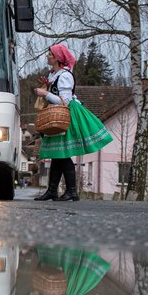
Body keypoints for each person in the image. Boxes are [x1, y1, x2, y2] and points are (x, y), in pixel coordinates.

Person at [33, 44, 113, 201]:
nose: (47, 56)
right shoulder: (53, 74)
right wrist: (47, 86)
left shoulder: (65, 76)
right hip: (56, 115)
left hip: (65, 116)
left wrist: (45, 93)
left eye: (50, 54)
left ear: (57, 58)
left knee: (63, 155)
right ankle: (53, 191)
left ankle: (71, 191)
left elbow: (65, 100)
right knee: (57, 155)